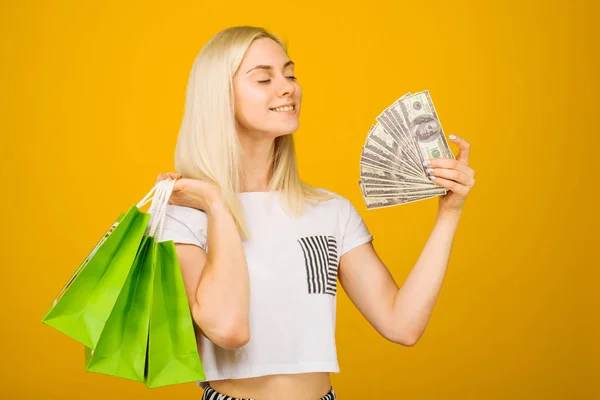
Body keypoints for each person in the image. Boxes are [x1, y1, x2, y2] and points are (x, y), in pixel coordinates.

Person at [155, 26, 476, 400]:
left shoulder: (329, 212)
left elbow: (402, 325)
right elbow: (229, 330)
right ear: (217, 97)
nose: (287, 87)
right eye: (263, 78)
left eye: (290, 74)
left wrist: (450, 212)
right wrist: (216, 205)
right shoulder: (182, 214)